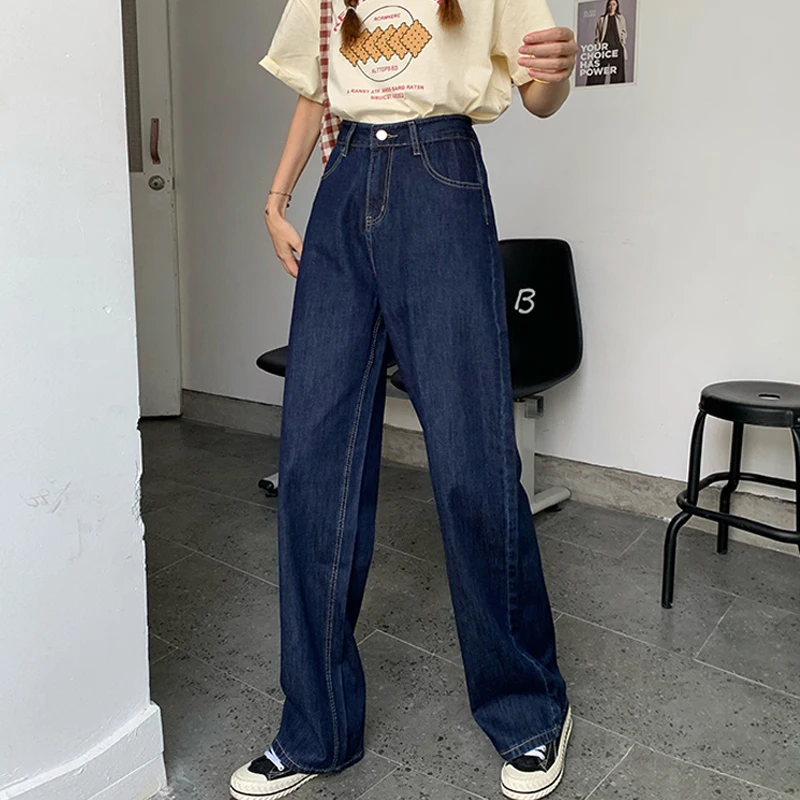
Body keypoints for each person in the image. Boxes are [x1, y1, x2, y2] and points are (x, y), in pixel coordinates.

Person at [230, 1, 577, 798]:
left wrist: (556, 78)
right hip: (344, 180)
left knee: (470, 460)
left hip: (440, 172)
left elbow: (536, 90)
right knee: (313, 463)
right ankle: (315, 729)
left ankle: (529, 710)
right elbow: (315, 87)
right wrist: (276, 199)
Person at [587, 0, 628, 85]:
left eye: (614, 4)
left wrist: (622, 42)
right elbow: (598, 34)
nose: (612, 6)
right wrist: (598, 45)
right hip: (604, 49)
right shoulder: (602, 19)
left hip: (617, 48)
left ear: (617, 6)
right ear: (607, 6)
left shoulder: (620, 18)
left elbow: (623, 32)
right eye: (610, 4)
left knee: (618, 77)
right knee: (596, 74)